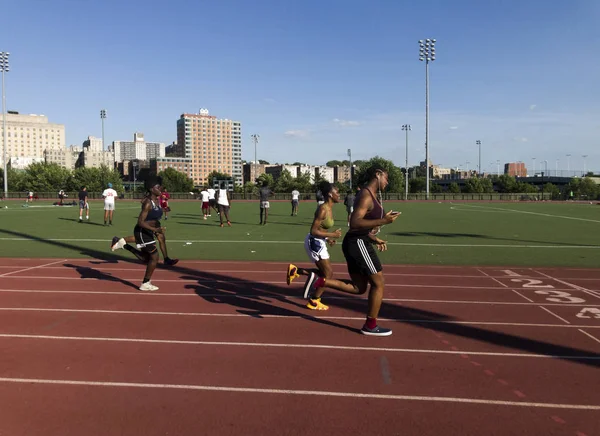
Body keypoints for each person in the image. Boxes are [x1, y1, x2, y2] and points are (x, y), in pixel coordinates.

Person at [287, 166, 400, 336]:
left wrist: (374, 238)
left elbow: (361, 227)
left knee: (359, 287)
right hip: (357, 243)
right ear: (377, 175)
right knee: (378, 282)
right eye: (386, 177)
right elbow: (354, 223)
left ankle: (322, 282)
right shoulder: (366, 195)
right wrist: (383, 220)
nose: (387, 181)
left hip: (359, 241)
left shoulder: (372, 196)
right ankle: (370, 325)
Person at [110, 177, 179, 290]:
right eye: (158, 187)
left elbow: (155, 212)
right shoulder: (148, 203)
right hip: (143, 231)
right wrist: (155, 230)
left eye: (160, 186)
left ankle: (123, 244)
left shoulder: (157, 200)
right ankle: (145, 283)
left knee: (147, 258)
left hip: (150, 230)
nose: (160, 188)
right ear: (152, 189)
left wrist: (164, 211)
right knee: (154, 257)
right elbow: (140, 222)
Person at [286, 182, 344, 310]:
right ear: (330, 194)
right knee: (328, 274)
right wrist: (332, 234)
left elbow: (321, 228)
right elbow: (313, 230)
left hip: (319, 241)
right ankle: (314, 300)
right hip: (314, 242)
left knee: (325, 273)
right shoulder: (323, 209)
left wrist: (328, 238)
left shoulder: (329, 208)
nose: (339, 195)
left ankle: (296, 271)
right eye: (337, 192)